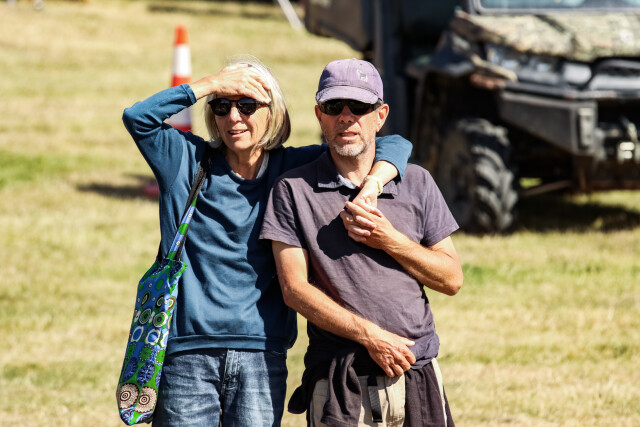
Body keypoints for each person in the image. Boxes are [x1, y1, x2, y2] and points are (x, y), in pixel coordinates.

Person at [121, 55, 413, 426]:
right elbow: (138, 118)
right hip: (188, 355)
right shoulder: (185, 160)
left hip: (262, 355)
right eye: (222, 107)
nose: (233, 118)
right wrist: (212, 84)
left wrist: (372, 184)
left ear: (272, 113)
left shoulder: (294, 169)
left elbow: (393, 144)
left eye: (247, 106)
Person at [260, 58, 463, 426]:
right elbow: (294, 290)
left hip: (417, 374)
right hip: (341, 381)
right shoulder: (292, 190)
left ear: (380, 116)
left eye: (359, 106)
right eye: (334, 106)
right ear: (320, 115)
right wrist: (371, 336)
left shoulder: (417, 182)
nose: (346, 117)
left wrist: (390, 240)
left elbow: (451, 279)